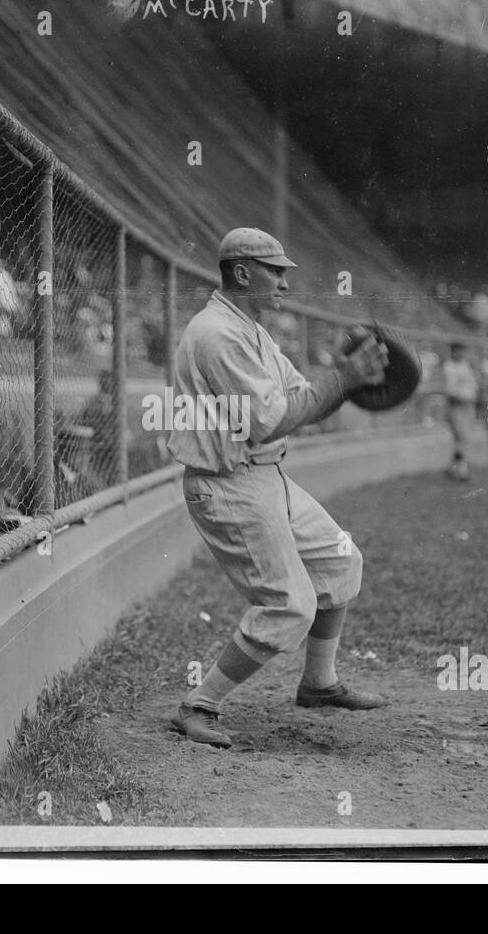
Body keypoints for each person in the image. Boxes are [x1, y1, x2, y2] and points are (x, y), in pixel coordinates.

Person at [166, 227, 390, 749]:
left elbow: (302, 400)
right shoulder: (216, 334)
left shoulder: (253, 331)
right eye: (276, 271)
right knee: (291, 603)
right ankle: (198, 706)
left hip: (266, 476)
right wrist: (345, 379)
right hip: (227, 484)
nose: (286, 281)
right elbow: (272, 421)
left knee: (341, 560)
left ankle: (318, 683)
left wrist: (347, 378)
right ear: (243, 273)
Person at [441, 340, 479, 481]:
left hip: (468, 406)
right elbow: (451, 392)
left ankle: (453, 468)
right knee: (462, 438)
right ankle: (462, 471)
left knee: (464, 440)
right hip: (457, 407)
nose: (462, 354)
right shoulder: (449, 367)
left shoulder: (465, 365)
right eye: (458, 350)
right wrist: (467, 400)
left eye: (463, 350)